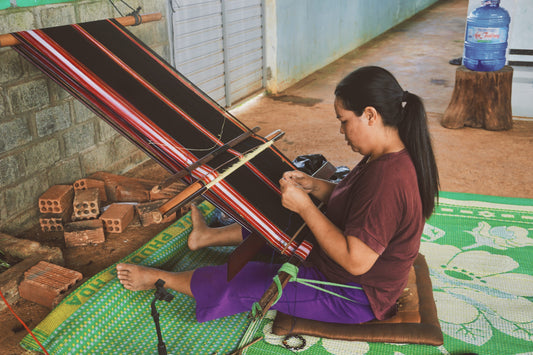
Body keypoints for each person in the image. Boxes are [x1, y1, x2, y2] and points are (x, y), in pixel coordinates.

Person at [117, 66, 439, 324]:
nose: (342, 132)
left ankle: (160, 279)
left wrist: (306, 208)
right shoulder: (386, 155)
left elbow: (356, 262)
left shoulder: (390, 178)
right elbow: (352, 198)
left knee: (249, 281)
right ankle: (205, 237)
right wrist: (314, 187)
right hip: (343, 271)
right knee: (275, 218)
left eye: (344, 121)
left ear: (370, 115)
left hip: (352, 294)